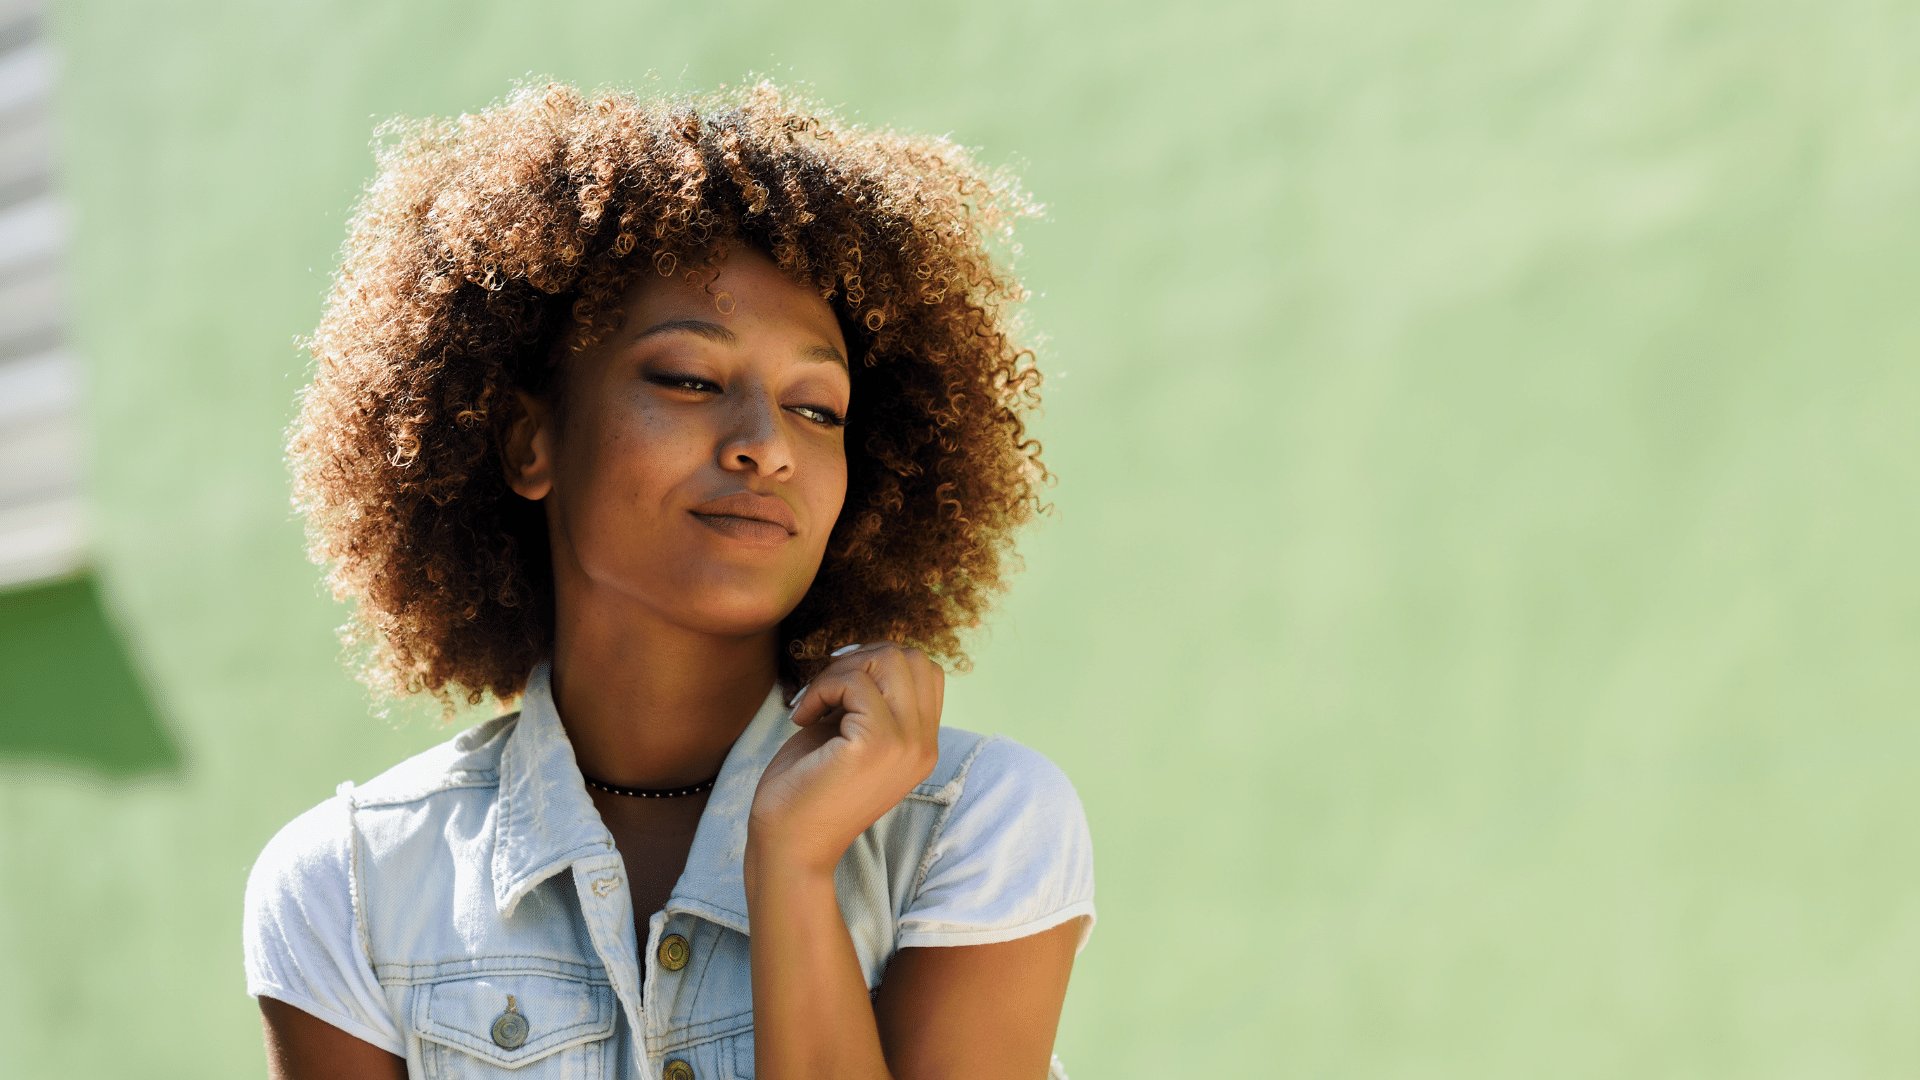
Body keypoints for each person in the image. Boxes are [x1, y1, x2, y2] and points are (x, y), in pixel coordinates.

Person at [242, 77, 1096, 1079]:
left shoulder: (976, 823)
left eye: (818, 408)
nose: (766, 447)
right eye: (690, 380)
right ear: (529, 441)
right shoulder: (347, 888)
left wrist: (792, 866)